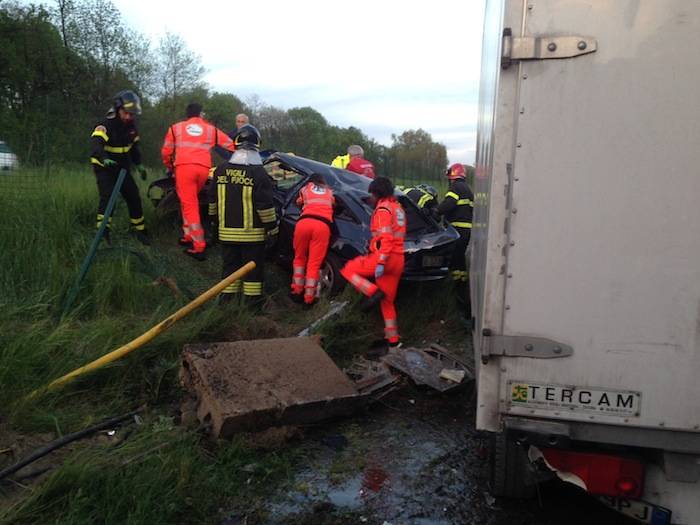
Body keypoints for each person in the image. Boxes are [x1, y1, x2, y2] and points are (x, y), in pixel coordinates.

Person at [207, 124, 278, 304]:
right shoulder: (259, 173)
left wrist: (214, 225)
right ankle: (252, 306)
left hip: (226, 234)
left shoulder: (220, 170)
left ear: (236, 142)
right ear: (258, 144)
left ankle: (227, 303)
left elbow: (212, 202)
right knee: (252, 273)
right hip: (252, 236)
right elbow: (265, 207)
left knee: (230, 269)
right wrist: (272, 229)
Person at [161, 102, 235, 260]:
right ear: (200, 114)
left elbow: (166, 151)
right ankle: (188, 235)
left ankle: (199, 246)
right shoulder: (210, 129)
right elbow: (230, 144)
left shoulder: (175, 128)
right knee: (188, 201)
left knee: (190, 205)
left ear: (187, 114)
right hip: (203, 169)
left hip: (184, 169)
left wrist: (169, 166)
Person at [340, 177, 405, 348]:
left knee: (348, 269)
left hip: (385, 257)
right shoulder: (398, 208)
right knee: (388, 302)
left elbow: (386, 238)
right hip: (399, 259)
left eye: (372, 194)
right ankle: (393, 340)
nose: (370, 198)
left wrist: (381, 261)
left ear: (377, 193)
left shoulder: (383, 209)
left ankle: (373, 292)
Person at [89, 90, 149, 245]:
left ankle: (139, 230)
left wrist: (139, 164)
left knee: (133, 196)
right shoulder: (105, 124)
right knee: (108, 198)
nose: (129, 117)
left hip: (122, 167)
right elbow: (96, 145)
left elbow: (134, 148)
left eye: (132, 114)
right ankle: (102, 234)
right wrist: (104, 158)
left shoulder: (131, 126)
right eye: (126, 113)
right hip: (104, 167)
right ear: (117, 109)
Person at [290, 173, 335, 307]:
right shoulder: (329, 192)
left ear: (310, 181)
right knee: (314, 263)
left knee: (299, 258)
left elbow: (298, 202)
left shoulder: (305, 189)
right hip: (322, 226)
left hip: (304, 223)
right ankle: (309, 298)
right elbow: (333, 204)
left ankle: (296, 291)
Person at [436, 163, 474, 290]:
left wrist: (436, 211)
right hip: (466, 230)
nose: (449, 180)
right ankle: (462, 282)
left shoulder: (455, 187)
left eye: (449, 178)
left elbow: (449, 204)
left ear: (453, 176)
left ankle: (455, 285)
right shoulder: (468, 189)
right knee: (459, 257)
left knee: (453, 258)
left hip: (456, 229)